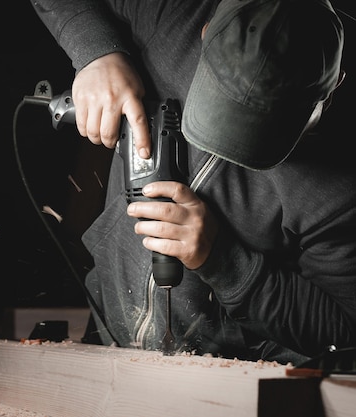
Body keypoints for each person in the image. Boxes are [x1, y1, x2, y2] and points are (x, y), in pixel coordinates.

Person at [29, 0, 356, 365]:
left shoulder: (344, 184)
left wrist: (221, 260)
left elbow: (344, 328)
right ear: (206, 30)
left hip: (220, 372)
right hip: (110, 324)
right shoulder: (174, 11)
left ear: (335, 84)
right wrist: (95, 52)